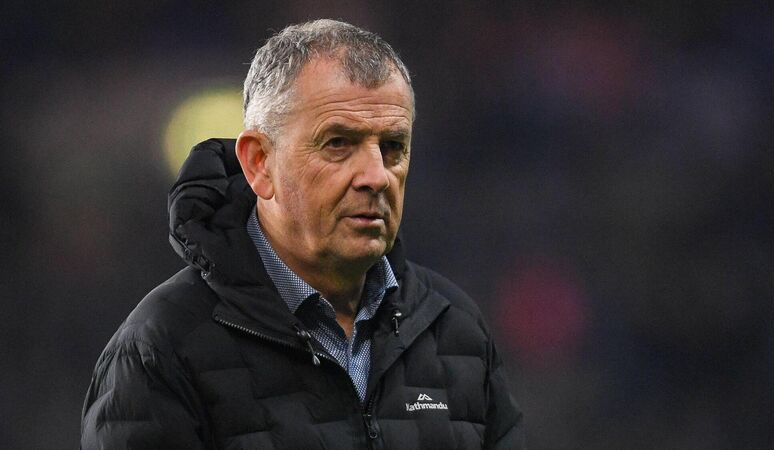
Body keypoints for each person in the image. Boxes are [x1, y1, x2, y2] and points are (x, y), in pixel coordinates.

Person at [81, 19, 524, 449]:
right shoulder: (160, 350)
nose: (376, 176)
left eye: (393, 147)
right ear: (259, 163)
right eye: (338, 143)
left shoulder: (456, 332)